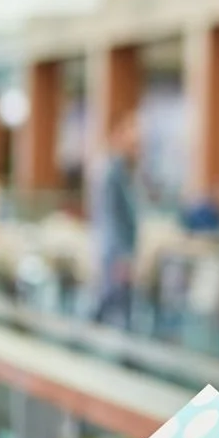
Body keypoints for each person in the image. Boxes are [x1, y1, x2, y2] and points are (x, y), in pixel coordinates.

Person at [89, 111, 140, 330]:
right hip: (115, 250)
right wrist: (123, 255)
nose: (137, 146)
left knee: (116, 303)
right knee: (111, 301)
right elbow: (112, 216)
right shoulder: (113, 171)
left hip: (119, 249)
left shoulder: (126, 171)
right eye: (133, 140)